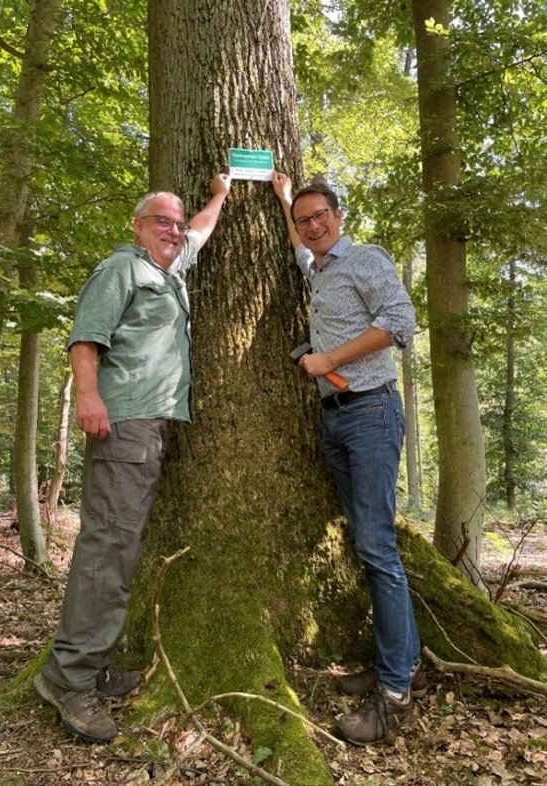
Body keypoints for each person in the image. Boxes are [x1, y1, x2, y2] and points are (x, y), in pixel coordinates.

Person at [34, 174, 231, 743]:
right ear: (138, 226)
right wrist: (90, 397)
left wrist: (219, 195)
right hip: (123, 421)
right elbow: (85, 339)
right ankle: (66, 678)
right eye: (161, 221)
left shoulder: (166, 268)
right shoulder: (123, 268)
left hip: (150, 424)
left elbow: (198, 232)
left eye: (176, 221)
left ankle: (86, 666)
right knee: (109, 549)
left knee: (120, 548)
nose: (173, 229)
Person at [272, 171, 425, 746]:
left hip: (370, 413)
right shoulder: (317, 266)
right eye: (303, 220)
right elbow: (299, 248)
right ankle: (398, 660)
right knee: (367, 539)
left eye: (320, 216)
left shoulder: (365, 260)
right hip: (336, 417)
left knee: (377, 546)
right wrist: (284, 199)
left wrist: (327, 356)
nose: (312, 226)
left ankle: (393, 691)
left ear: (339, 216)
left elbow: (399, 323)